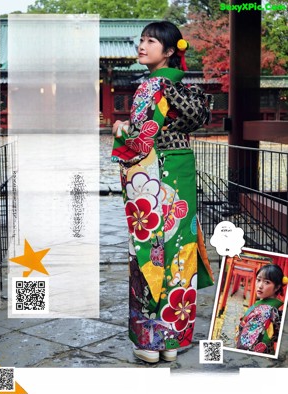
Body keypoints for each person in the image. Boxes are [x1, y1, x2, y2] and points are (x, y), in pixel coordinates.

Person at [111, 21, 214, 363]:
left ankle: (148, 340)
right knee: (179, 249)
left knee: (149, 248)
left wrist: (120, 131)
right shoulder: (183, 86)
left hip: (154, 175)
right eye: (141, 40)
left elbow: (141, 140)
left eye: (150, 41)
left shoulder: (151, 86)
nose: (142, 46)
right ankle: (173, 340)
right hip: (181, 171)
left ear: (169, 51)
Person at [236, 264, 288, 355]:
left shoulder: (264, 311)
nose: (260, 286)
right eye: (258, 280)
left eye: (267, 282)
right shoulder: (269, 308)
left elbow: (248, 345)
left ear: (277, 287)